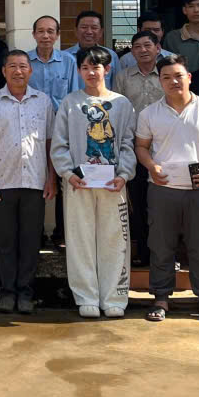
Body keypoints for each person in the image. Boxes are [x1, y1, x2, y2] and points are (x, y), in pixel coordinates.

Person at [134, 54, 199, 325]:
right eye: (166, 77)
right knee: (161, 247)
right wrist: (151, 166)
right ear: (160, 82)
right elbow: (141, 146)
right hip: (162, 188)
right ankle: (161, 299)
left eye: (178, 76)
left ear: (189, 77)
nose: (173, 81)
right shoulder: (149, 113)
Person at [51, 46, 136, 318]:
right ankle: (86, 296)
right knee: (80, 239)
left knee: (114, 239)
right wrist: (68, 173)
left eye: (96, 67)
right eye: (85, 67)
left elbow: (128, 143)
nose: (91, 72)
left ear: (107, 69)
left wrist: (124, 174)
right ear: (79, 71)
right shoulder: (70, 103)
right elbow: (59, 144)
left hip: (113, 184)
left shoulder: (121, 104)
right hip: (79, 184)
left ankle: (114, 297)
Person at [0, 51, 56, 314]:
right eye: (12, 66)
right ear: (4, 71)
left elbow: (50, 142)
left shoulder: (43, 101)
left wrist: (51, 178)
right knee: (6, 241)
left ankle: (25, 292)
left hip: (35, 182)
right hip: (2, 183)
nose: (18, 71)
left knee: (30, 242)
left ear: (30, 71)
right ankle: (7, 292)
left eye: (23, 66)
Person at [116, 31, 166, 267]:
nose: (143, 50)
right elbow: (117, 112)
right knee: (138, 202)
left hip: (164, 148)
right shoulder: (123, 77)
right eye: (137, 46)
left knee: (163, 205)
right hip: (134, 148)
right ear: (132, 52)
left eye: (148, 45)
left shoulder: (166, 74)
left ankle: (165, 255)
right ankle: (144, 252)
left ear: (158, 48)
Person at [28, 15, 76, 110]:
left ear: (57, 34)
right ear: (34, 34)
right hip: (31, 115)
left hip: (60, 116)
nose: (45, 36)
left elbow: (74, 94)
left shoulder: (68, 61)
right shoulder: (25, 61)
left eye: (50, 31)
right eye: (41, 31)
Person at [65, 11, 116, 90]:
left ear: (101, 32)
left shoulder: (111, 55)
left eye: (94, 28)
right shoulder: (65, 57)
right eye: (84, 27)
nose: (89, 32)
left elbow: (116, 85)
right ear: (76, 31)